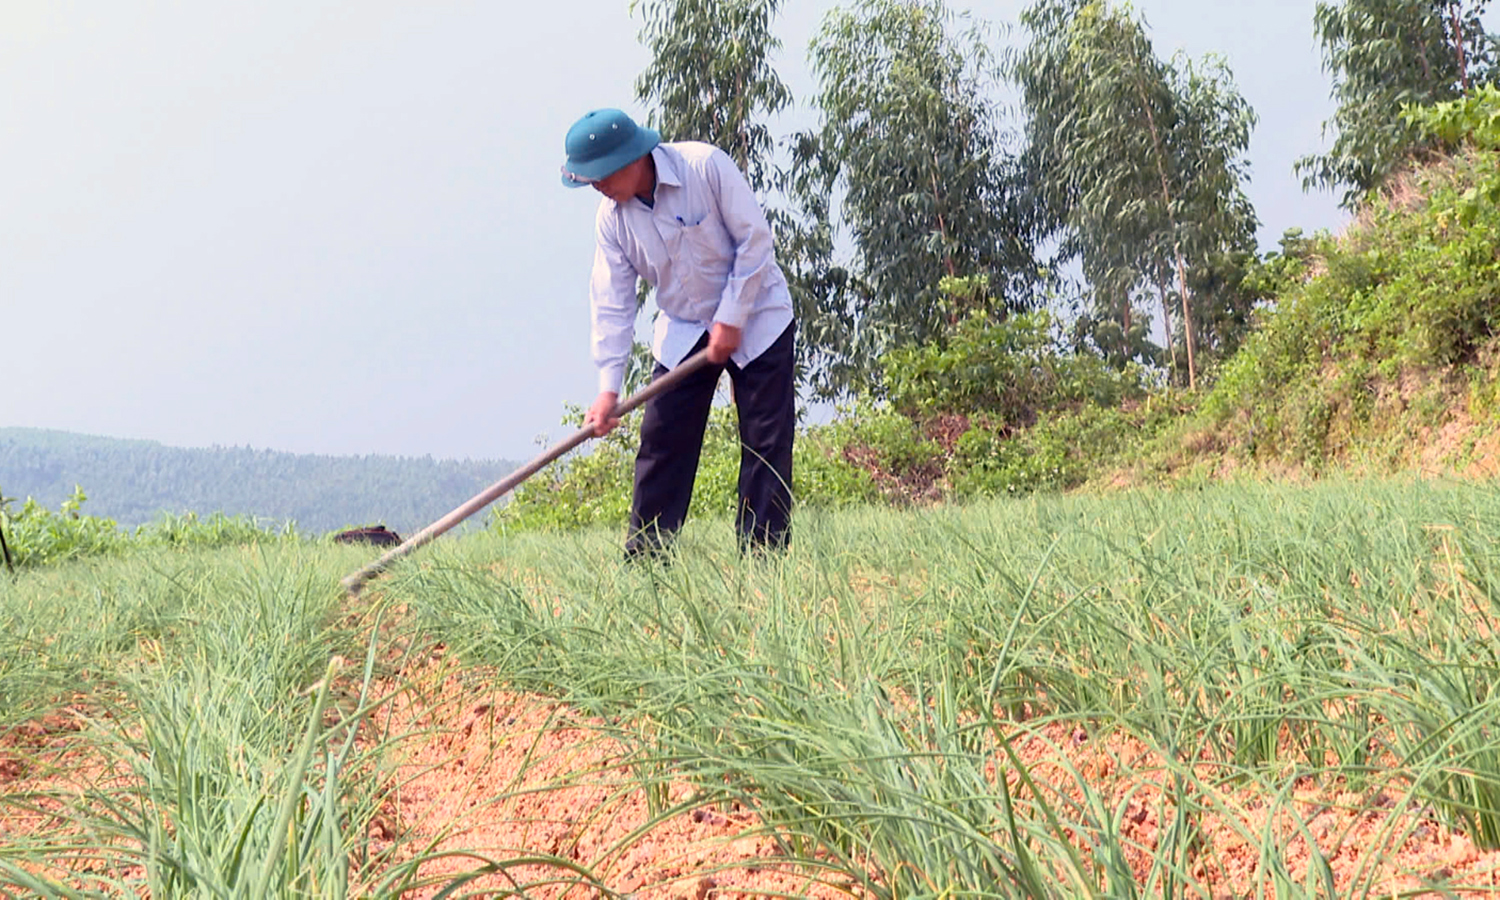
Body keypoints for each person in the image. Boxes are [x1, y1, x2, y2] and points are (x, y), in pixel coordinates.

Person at [560, 107, 796, 559]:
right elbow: (613, 301)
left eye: (601, 176)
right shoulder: (612, 218)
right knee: (662, 443)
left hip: (760, 315)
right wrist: (608, 388)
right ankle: (646, 563)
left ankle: (764, 565)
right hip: (684, 328)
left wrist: (732, 318)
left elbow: (756, 241)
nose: (597, 188)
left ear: (632, 160)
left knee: (766, 445)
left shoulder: (704, 167)